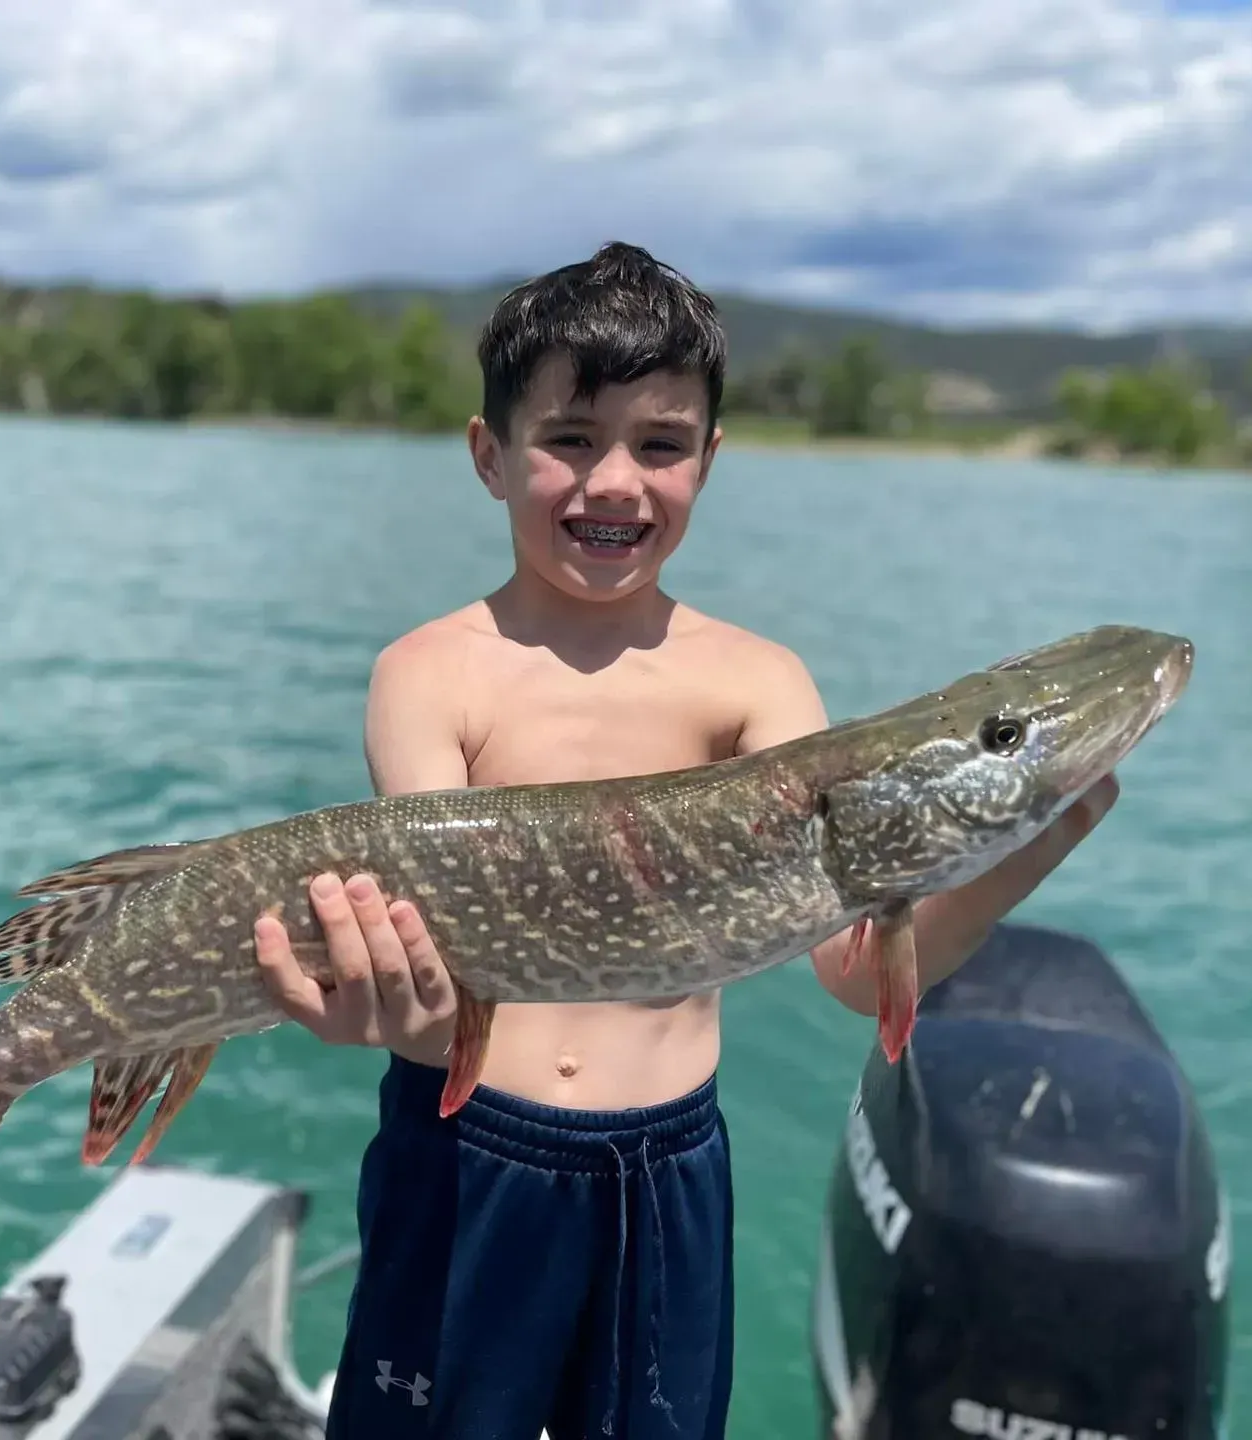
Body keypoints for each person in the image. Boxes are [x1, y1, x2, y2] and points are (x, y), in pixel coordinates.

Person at [251, 241, 1119, 1440]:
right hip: (467, 1158)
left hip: (667, 1174)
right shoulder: (431, 674)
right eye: (568, 439)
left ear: (709, 460)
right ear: (489, 456)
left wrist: (1034, 830)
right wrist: (383, 1016)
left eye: (660, 445)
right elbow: (429, 961)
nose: (615, 483)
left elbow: (861, 973)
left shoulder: (757, 682)